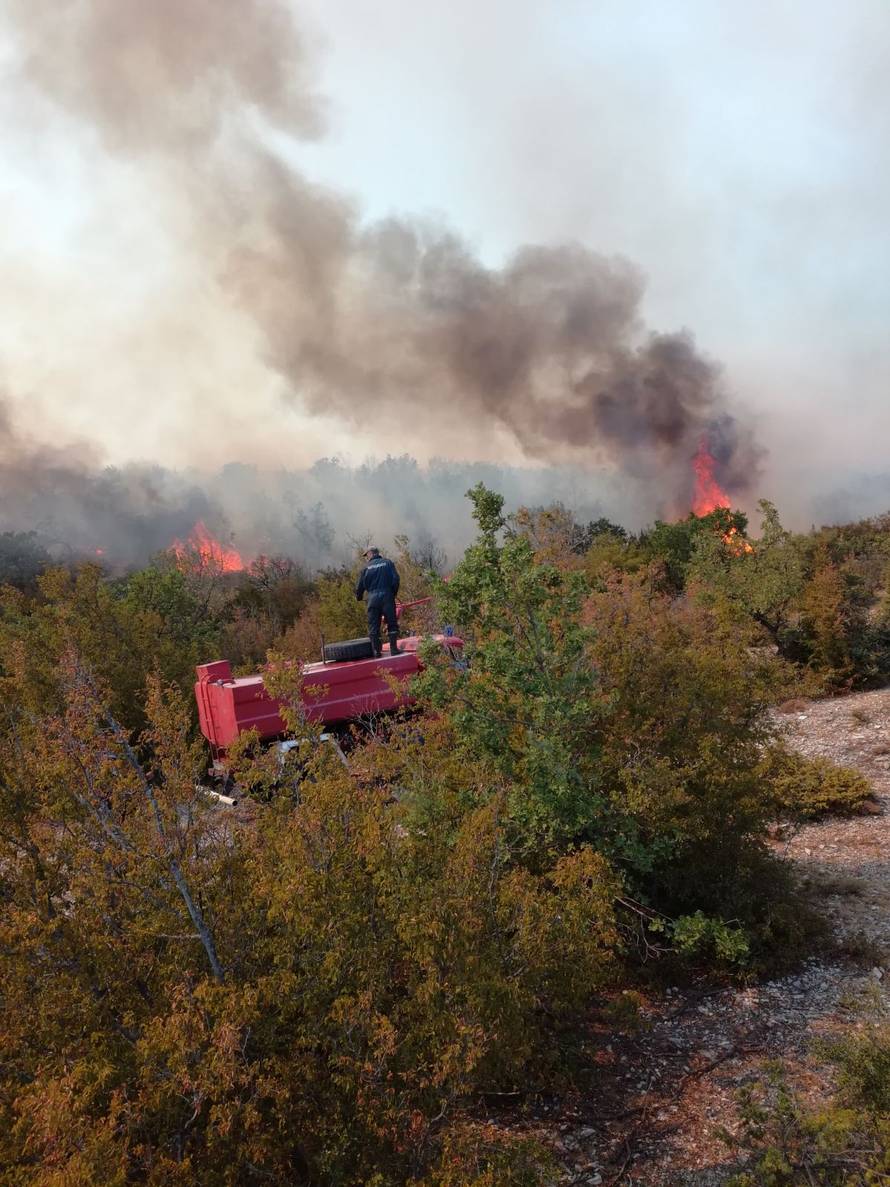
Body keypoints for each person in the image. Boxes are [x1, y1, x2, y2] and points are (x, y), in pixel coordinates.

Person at [355, 546, 401, 657]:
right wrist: (392, 593)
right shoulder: (388, 563)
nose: (366, 558)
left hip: (372, 598)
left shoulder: (365, 568)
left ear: (371, 554)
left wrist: (359, 597)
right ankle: (394, 649)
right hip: (387, 596)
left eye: (366, 555)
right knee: (392, 623)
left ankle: (376, 652)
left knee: (373, 625)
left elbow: (359, 587)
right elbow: (396, 579)